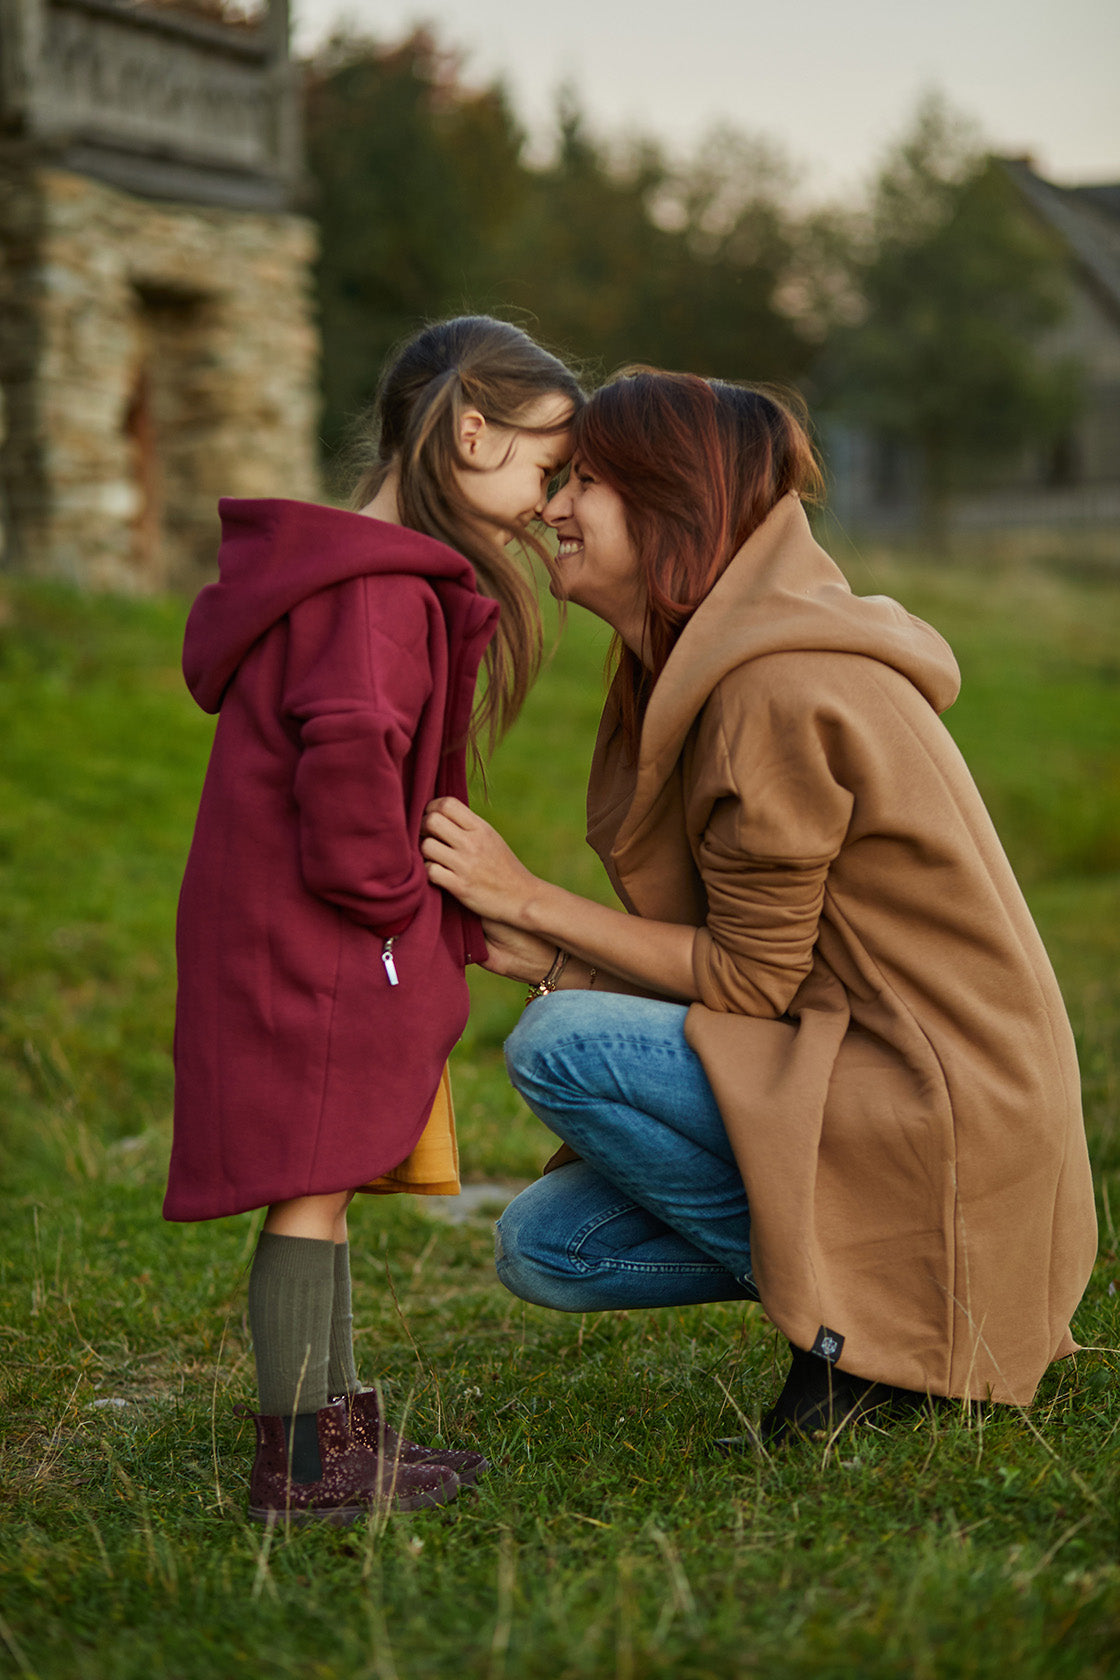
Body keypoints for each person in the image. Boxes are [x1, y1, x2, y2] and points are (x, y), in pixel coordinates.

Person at [420, 368, 1098, 1446]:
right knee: (549, 1247)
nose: (553, 508)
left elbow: (748, 983)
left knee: (558, 1049)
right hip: (888, 1081)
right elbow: (774, 977)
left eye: (585, 482)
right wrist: (553, 954)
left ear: (670, 504)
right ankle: (918, 1303)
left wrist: (534, 902)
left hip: (941, 1106)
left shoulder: (772, 691)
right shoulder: (724, 661)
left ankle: (876, 1344)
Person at [164, 316, 581, 1523]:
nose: (544, 503)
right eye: (544, 467)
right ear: (469, 431)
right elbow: (348, 757)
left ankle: (337, 1428)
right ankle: (303, 1463)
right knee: (312, 1182)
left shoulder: (362, 576)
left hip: (306, 926)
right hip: (321, 932)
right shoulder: (379, 593)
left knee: (330, 1178)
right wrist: (397, 905)